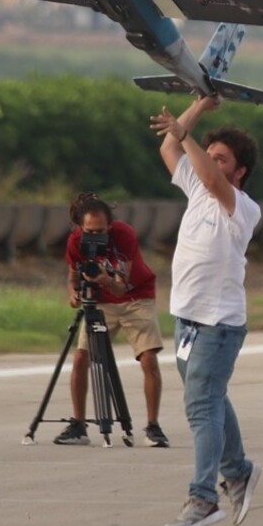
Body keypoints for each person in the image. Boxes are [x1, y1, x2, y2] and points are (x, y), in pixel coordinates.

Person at [150, 95, 261, 526]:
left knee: (201, 406)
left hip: (219, 323)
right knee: (213, 399)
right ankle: (238, 470)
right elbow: (169, 149)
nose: (210, 164)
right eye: (210, 156)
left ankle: (203, 496)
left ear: (239, 172)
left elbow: (213, 179)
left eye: (222, 159)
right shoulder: (196, 187)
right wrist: (198, 107)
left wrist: (187, 131)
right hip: (187, 319)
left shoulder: (241, 206)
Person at [53, 192, 169, 448]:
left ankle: (153, 426)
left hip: (136, 297)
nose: (94, 236)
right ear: (80, 227)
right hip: (101, 301)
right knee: (81, 357)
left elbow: (121, 287)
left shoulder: (124, 235)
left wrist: (105, 279)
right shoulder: (75, 241)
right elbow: (73, 273)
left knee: (148, 357)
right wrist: (73, 292)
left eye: (101, 230)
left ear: (110, 225)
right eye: (89, 231)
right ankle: (79, 424)